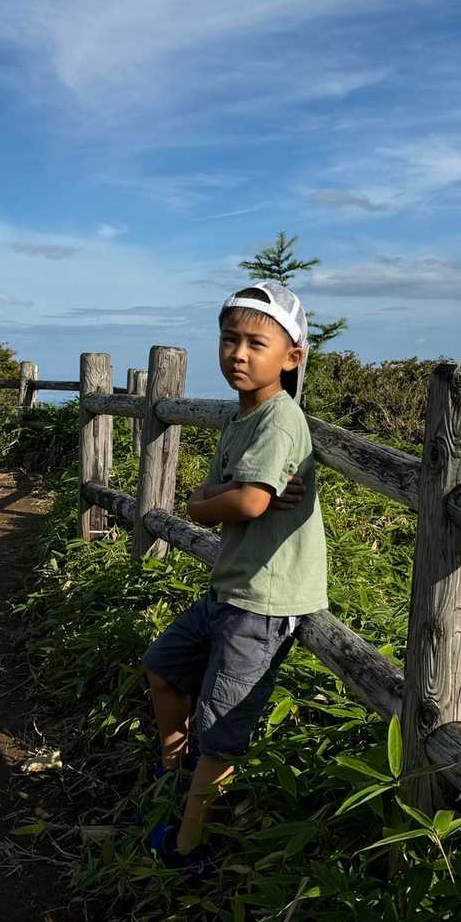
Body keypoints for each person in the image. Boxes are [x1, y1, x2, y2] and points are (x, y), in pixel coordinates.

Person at [140, 280, 329, 873]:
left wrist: (213, 500)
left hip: (264, 601)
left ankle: (189, 846)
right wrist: (216, 497)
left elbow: (245, 503)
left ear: (292, 357)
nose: (238, 354)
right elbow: (218, 499)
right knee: (163, 668)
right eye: (229, 340)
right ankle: (174, 771)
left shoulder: (279, 421)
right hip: (231, 588)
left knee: (222, 732)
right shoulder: (242, 418)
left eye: (255, 343)